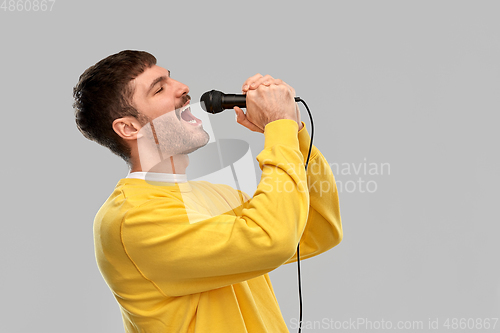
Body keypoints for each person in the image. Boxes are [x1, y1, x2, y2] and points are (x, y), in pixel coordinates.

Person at [73, 50, 342, 333]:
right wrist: (278, 127)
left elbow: (317, 230)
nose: (183, 88)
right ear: (129, 127)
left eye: (171, 77)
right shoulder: (131, 220)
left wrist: (294, 131)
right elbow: (271, 240)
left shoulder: (217, 194)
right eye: (160, 89)